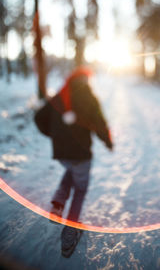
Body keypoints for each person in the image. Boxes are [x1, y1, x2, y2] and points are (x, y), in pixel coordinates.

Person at [34, 66, 113, 257]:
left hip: (61, 153)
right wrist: (108, 141)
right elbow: (100, 124)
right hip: (81, 153)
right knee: (80, 188)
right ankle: (70, 232)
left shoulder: (59, 96)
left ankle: (57, 204)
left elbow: (38, 117)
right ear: (86, 80)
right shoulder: (89, 97)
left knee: (71, 170)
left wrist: (53, 135)